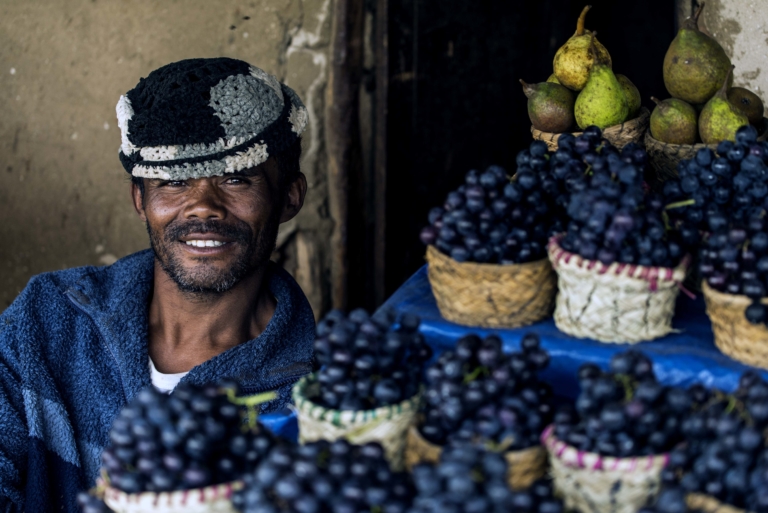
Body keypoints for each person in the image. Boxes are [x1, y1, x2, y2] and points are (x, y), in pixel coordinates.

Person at [0, 58, 315, 512]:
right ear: (139, 198)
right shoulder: (44, 322)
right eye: (174, 180)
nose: (203, 206)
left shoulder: (314, 399)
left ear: (289, 196)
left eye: (236, 178)